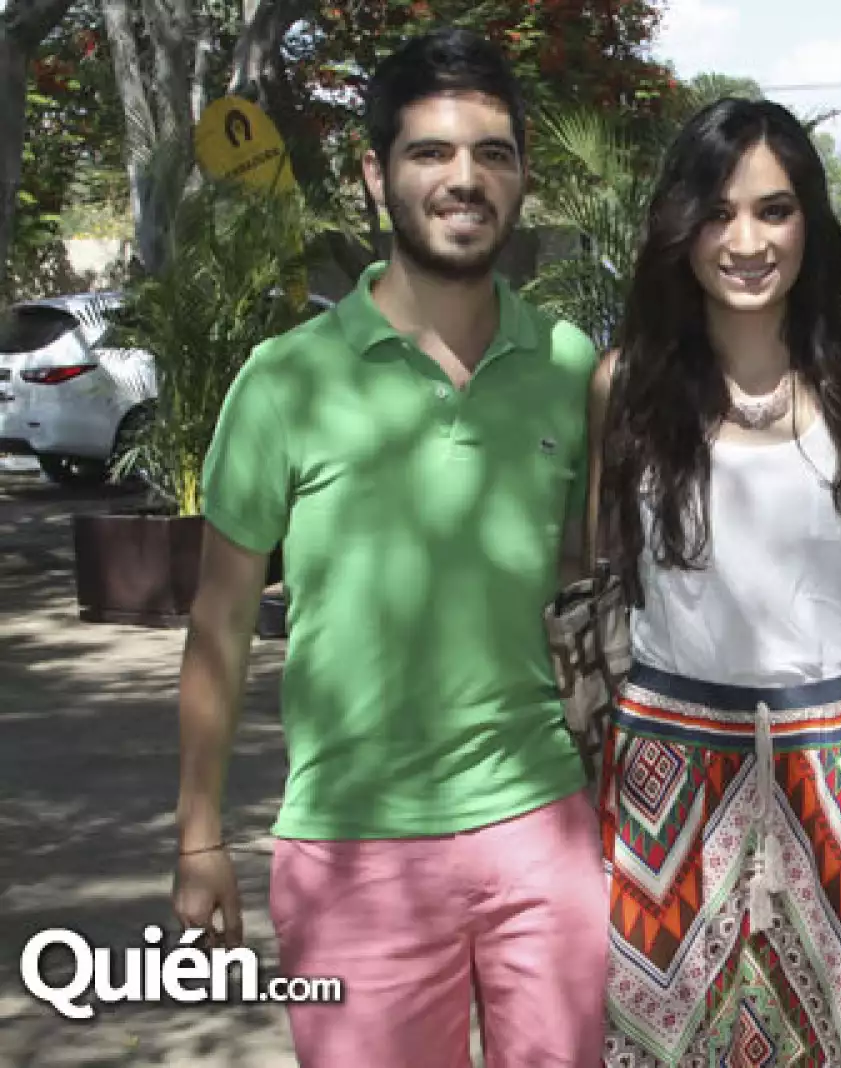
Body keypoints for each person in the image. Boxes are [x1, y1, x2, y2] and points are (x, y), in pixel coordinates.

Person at [169, 28, 607, 1067]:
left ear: (520, 177)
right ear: (377, 173)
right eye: (432, 153)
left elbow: (586, 588)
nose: (466, 179)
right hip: (353, 848)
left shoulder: (567, 362)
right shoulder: (285, 379)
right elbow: (220, 623)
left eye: (493, 154)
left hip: (544, 830)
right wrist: (197, 839)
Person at [586, 98, 841, 1066]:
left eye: (774, 210)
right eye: (717, 212)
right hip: (673, 777)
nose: (745, 241)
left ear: (809, 225)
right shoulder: (623, 386)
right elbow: (598, 580)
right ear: (680, 228)